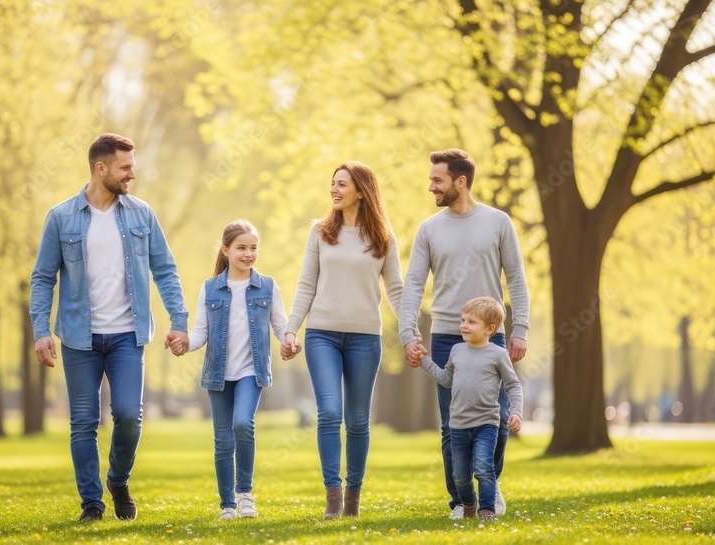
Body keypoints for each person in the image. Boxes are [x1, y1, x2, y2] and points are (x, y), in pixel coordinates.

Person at [30, 133, 189, 522]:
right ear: (101, 168)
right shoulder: (61, 217)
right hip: (79, 339)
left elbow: (165, 270)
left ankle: (117, 480)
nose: (132, 175)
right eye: (126, 167)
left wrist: (179, 320)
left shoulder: (141, 214)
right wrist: (41, 329)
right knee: (83, 422)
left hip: (126, 337)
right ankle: (92, 504)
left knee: (129, 415)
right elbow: (42, 278)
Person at [399, 148, 530, 519]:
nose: (431, 187)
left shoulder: (498, 222)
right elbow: (412, 285)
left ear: (460, 181)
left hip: (493, 336)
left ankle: (490, 484)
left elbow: (517, 279)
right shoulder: (429, 228)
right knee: (450, 424)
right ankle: (461, 500)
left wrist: (519, 329)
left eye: (437, 180)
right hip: (444, 337)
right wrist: (409, 333)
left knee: (499, 419)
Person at [281, 161, 404, 519]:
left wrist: (410, 330)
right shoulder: (320, 232)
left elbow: (395, 289)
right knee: (329, 413)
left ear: (361, 191)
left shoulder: (383, 238)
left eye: (341, 185)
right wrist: (291, 328)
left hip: (366, 338)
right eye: (332, 184)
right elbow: (306, 284)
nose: (334, 190)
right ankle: (333, 499)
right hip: (322, 334)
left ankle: (353, 500)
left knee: (358, 420)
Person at [170, 219, 291, 520]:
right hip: (218, 373)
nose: (248, 254)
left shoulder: (267, 286)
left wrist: (289, 339)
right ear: (225, 251)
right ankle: (227, 505)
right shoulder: (210, 288)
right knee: (223, 439)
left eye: (253, 247)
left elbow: (280, 324)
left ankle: (245, 494)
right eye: (241, 248)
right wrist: (184, 343)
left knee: (242, 424)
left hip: (252, 371)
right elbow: (200, 333)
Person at [416, 297, 524, 521]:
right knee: (460, 476)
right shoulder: (456, 350)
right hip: (458, 425)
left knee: (484, 468)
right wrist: (425, 361)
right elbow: (446, 379)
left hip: (486, 423)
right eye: (463, 320)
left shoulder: (497, 354)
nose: (464, 325)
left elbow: (513, 385)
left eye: (471, 322)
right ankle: (468, 504)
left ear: (489, 329)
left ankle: (486, 510)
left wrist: (516, 411)